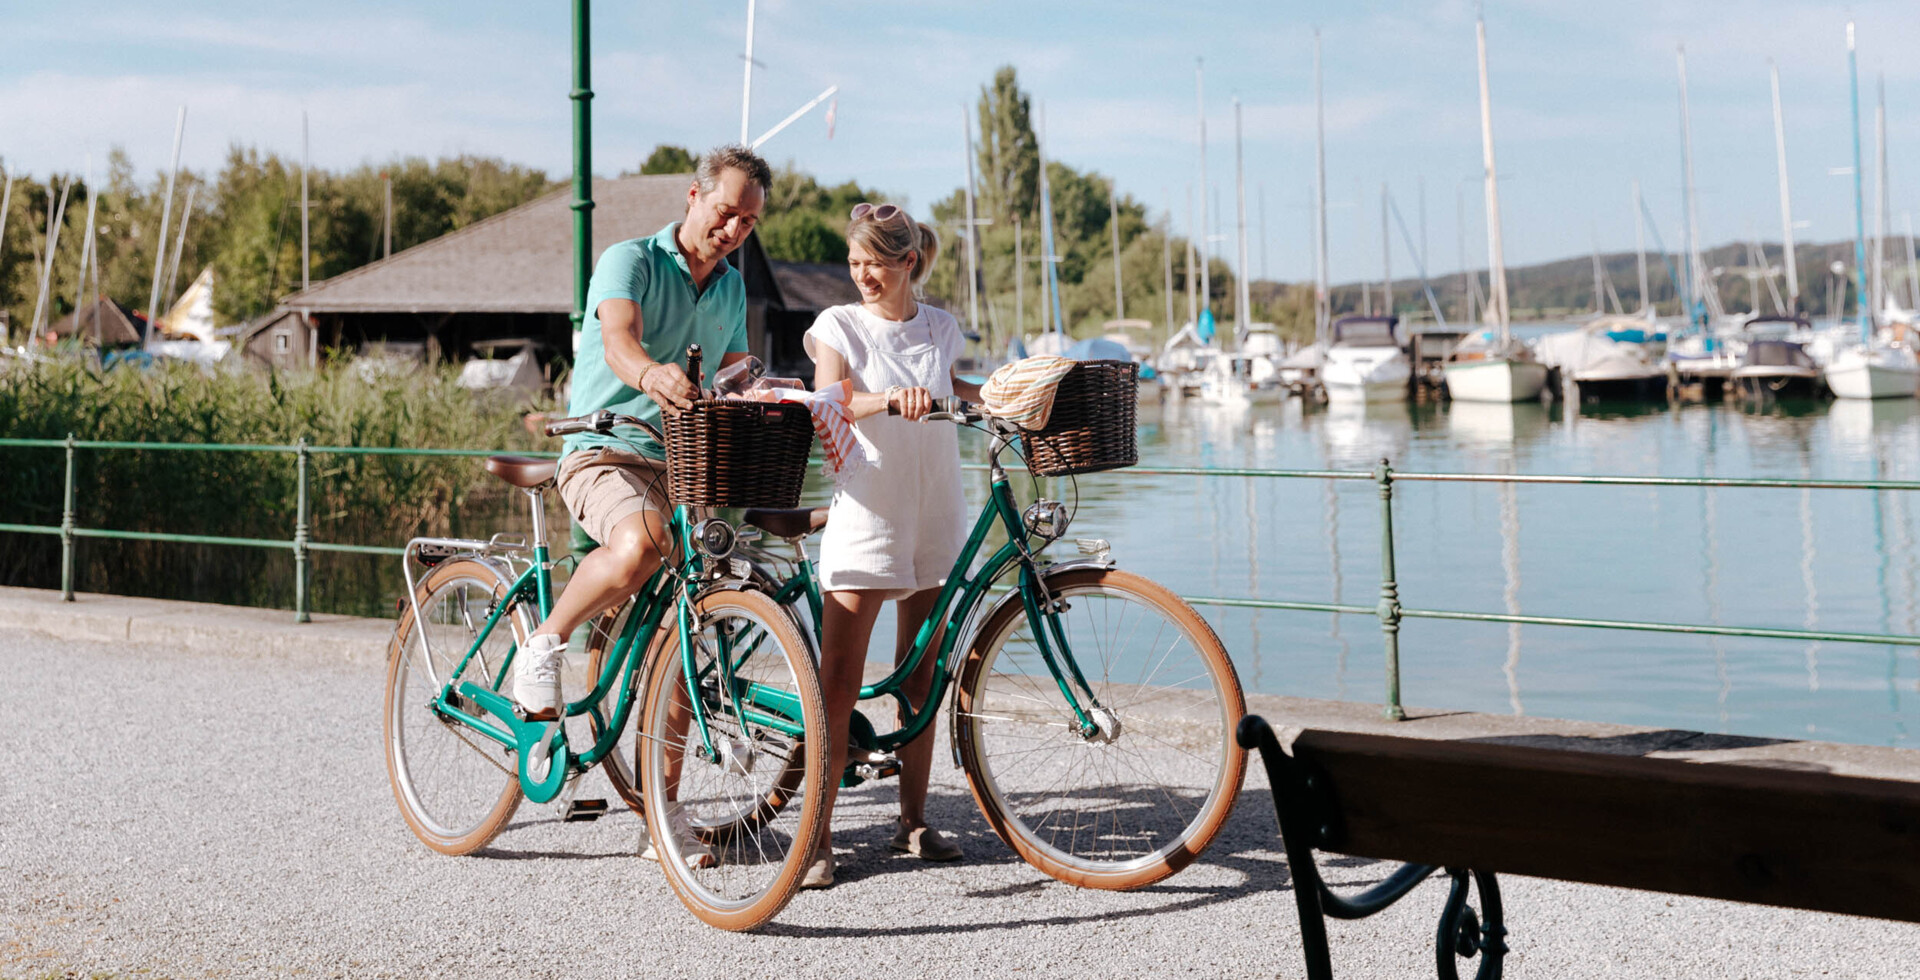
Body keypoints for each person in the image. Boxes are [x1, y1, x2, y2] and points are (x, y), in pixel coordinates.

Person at [512, 144, 773, 859]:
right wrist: (652, 374)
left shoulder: (727, 289)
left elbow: (728, 367)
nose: (734, 231)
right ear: (694, 195)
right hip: (604, 447)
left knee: (691, 630)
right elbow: (620, 341)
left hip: (682, 462)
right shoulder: (629, 259)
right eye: (726, 213)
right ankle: (543, 646)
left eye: (747, 223)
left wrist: (755, 380)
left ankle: (662, 809)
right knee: (645, 543)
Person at [800, 203, 984, 888]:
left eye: (874, 262)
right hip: (868, 510)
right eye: (854, 263)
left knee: (920, 677)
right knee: (838, 684)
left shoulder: (940, 326)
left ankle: (911, 822)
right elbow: (827, 397)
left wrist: (998, 397)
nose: (862, 275)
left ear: (909, 262)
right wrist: (887, 400)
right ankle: (815, 839)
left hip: (934, 506)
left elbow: (951, 389)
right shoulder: (838, 324)